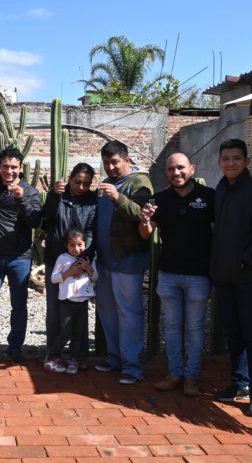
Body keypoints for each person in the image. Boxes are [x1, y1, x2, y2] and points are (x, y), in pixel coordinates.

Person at [210, 138, 252, 417]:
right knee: (233, 333)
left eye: (236, 158)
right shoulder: (221, 189)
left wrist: (243, 260)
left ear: (247, 161)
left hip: (249, 278)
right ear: (220, 162)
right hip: (223, 276)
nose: (230, 163)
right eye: (226, 159)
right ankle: (239, 384)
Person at [139, 152, 214, 397]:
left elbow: (223, 229)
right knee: (171, 327)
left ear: (192, 168)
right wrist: (145, 220)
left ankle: (191, 377)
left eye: (181, 168)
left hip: (198, 275)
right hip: (168, 273)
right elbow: (145, 234)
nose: (176, 173)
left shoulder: (209, 197)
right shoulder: (159, 199)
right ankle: (175, 373)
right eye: (171, 169)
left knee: (194, 328)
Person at [0, 147, 43, 368]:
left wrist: (22, 199)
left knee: (19, 306)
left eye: (14, 167)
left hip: (19, 258)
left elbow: (35, 221)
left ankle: (14, 348)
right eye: (6, 166)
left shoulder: (29, 191)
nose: (9, 171)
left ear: (21, 168)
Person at [95, 141, 153, 385]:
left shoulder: (140, 183)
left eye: (115, 162)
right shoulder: (108, 184)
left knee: (129, 313)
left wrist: (118, 197)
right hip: (105, 261)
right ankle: (115, 357)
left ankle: (132, 366)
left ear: (127, 160)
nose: (110, 167)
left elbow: (143, 214)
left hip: (127, 260)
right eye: (106, 162)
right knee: (107, 311)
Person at [42, 163, 97, 359]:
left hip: (81, 263)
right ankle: (53, 352)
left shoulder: (92, 201)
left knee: (80, 308)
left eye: (86, 184)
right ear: (70, 177)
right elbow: (46, 219)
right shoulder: (59, 195)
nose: (81, 187)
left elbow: (90, 229)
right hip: (56, 260)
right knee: (55, 308)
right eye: (77, 182)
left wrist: (82, 256)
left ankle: (78, 354)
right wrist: (53, 196)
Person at [44, 227, 98, 375]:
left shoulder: (88, 259)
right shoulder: (62, 258)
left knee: (78, 333)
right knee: (66, 331)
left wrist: (88, 268)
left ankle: (73, 358)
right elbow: (54, 278)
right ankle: (53, 355)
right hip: (67, 302)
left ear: (85, 244)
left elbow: (96, 278)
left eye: (80, 244)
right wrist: (69, 273)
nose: (76, 248)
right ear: (66, 245)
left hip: (82, 302)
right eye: (72, 245)